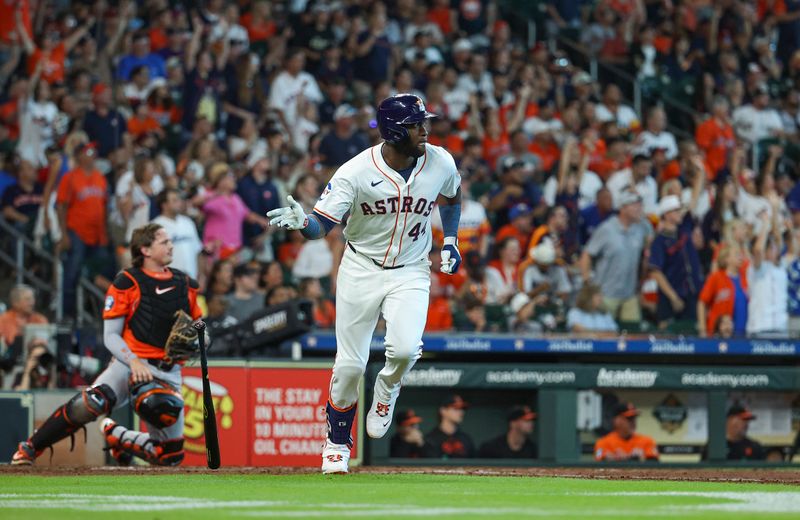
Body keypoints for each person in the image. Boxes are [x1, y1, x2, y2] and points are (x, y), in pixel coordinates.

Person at [267, 94, 462, 474]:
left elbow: (452, 197)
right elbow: (321, 225)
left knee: (405, 351)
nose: (425, 130)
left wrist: (451, 240)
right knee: (350, 366)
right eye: (417, 125)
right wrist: (301, 222)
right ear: (393, 131)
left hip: (411, 268)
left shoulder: (440, 161)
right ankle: (337, 443)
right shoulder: (355, 172)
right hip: (361, 268)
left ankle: (387, 389)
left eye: (425, 123)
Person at [11, 223, 203, 466]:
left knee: (170, 457)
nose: (171, 246)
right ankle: (30, 448)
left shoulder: (185, 283)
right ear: (145, 249)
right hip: (129, 363)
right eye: (164, 242)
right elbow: (110, 336)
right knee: (90, 403)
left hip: (167, 371)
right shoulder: (127, 282)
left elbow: (200, 325)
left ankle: (118, 436)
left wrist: (202, 338)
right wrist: (133, 361)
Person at [580, 189, 652, 324]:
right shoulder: (607, 229)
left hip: (629, 294)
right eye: (635, 205)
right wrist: (587, 283)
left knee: (633, 336)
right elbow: (587, 255)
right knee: (605, 336)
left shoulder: (641, 228)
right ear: (623, 208)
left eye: (640, 205)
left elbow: (646, 253)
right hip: (606, 294)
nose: (639, 209)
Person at [594, 402, 659, 462]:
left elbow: (655, 465)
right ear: (617, 420)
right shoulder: (603, 443)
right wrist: (615, 459)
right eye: (629, 418)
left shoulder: (647, 441)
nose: (633, 422)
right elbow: (600, 465)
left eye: (634, 418)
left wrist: (641, 459)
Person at [422, 394, 475, 459]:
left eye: (462, 409)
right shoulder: (430, 439)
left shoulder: (466, 439)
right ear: (443, 410)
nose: (461, 412)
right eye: (456, 408)